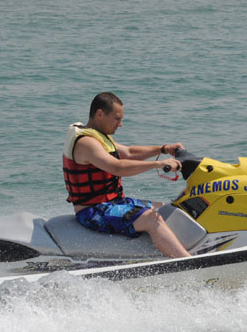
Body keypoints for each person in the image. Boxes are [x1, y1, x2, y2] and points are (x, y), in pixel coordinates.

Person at [63, 93, 191, 258]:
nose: (120, 124)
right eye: (117, 119)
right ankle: (189, 263)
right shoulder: (86, 143)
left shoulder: (97, 136)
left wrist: (163, 149)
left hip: (112, 203)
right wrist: (158, 164)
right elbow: (117, 167)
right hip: (93, 211)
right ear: (100, 114)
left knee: (166, 207)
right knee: (152, 219)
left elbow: (128, 152)